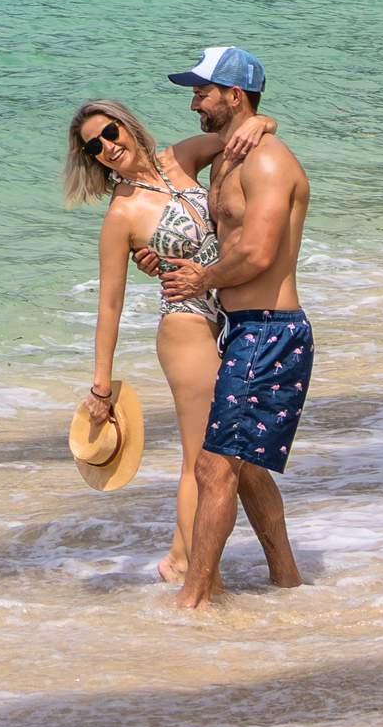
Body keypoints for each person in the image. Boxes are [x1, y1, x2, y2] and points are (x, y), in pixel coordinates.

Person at [64, 98, 277, 584]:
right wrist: (101, 387)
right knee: (203, 457)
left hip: (233, 317)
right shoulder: (121, 215)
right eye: (94, 147)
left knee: (234, 454)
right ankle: (188, 568)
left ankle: (182, 558)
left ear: (127, 126)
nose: (107, 147)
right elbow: (109, 305)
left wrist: (264, 120)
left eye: (110, 133)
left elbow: (240, 141)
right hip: (186, 325)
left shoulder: (182, 157)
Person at [135, 46, 314, 608]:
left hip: (269, 330)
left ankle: (194, 601)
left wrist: (202, 280)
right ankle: (287, 582)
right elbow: (222, 240)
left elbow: (258, 253)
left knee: (215, 467)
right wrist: (171, 260)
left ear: (234, 96)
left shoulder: (266, 162)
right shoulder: (228, 159)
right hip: (242, 328)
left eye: (202, 93)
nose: (194, 104)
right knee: (247, 469)